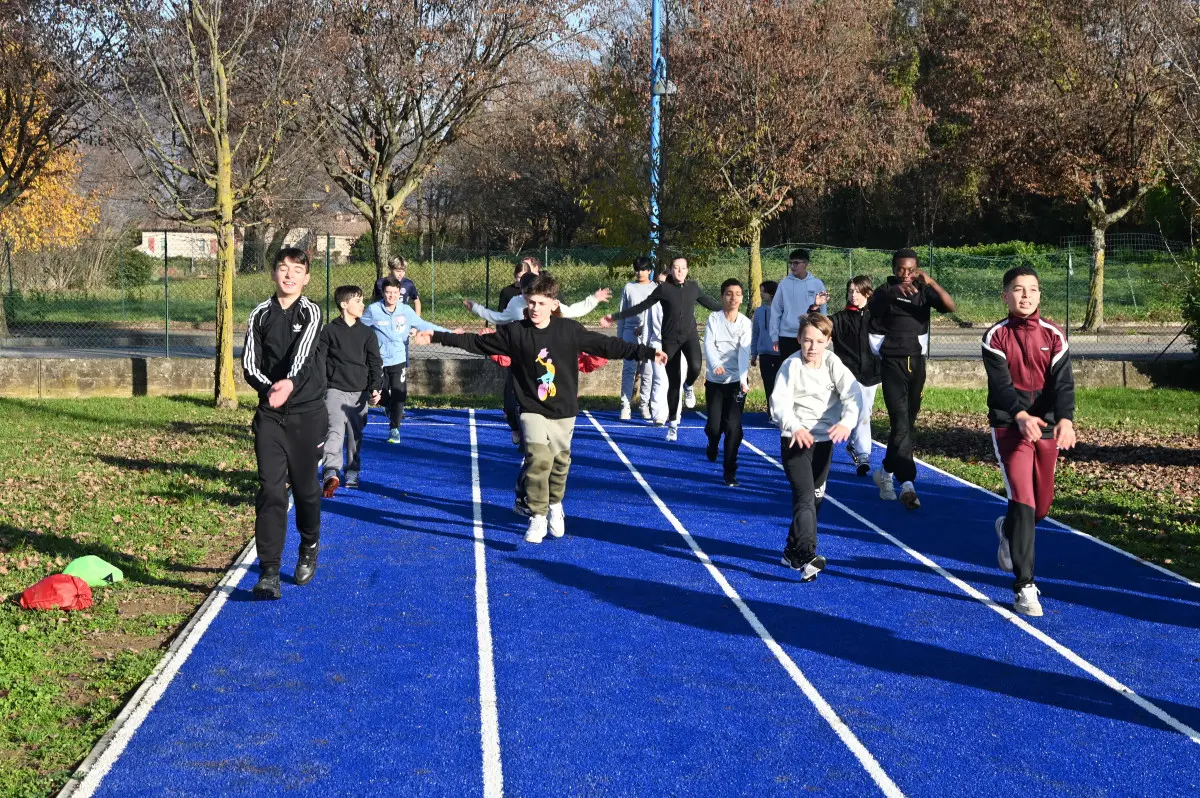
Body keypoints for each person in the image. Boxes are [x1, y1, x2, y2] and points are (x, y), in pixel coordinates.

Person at [415, 273, 666, 543]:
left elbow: (607, 345)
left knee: (559, 463)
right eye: (531, 302)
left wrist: (647, 353)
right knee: (537, 458)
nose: (535, 308)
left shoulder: (569, 330)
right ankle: (537, 515)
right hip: (531, 407)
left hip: (563, 409)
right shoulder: (515, 332)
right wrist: (438, 336)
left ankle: (555, 504)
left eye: (541, 303)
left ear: (553, 304)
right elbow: (476, 343)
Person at [982, 264, 1076, 618]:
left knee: (1042, 507)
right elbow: (1001, 387)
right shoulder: (995, 336)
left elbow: (1063, 383)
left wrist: (1065, 419)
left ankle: (1007, 529)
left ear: (1039, 295)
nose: (1026, 295)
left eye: (1032, 289)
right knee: (1023, 500)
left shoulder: (1054, 335)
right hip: (1010, 426)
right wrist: (1020, 416)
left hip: (1046, 427)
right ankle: (1025, 586)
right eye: (1018, 289)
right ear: (1005, 295)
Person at [242, 247, 327, 600]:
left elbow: (303, 356)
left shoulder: (312, 312)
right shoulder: (259, 314)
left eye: (296, 270)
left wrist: (288, 384)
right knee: (271, 491)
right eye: (282, 268)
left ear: (306, 278)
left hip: (307, 415)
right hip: (271, 416)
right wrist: (269, 389)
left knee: (306, 490)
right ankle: (269, 571)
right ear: (274, 274)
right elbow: (250, 363)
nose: (289, 275)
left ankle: (309, 545)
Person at [465, 274, 612, 445]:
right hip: (527, 374)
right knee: (518, 412)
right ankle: (520, 432)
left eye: (541, 303)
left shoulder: (559, 322)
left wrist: (594, 300)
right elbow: (499, 321)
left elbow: (575, 313)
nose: (535, 308)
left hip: (557, 394)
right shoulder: (516, 308)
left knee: (557, 448)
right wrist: (482, 322)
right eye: (529, 299)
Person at [770, 312, 858, 582]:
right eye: (807, 340)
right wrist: (794, 426)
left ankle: (791, 551)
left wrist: (846, 423)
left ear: (828, 341)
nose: (812, 347)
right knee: (805, 496)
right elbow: (779, 402)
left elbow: (853, 395)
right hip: (796, 441)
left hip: (824, 442)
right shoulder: (791, 366)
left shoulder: (833, 364)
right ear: (799, 339)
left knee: (815, 500)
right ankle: (807, 555)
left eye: (819, 341)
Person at [868, 248, 957, 510]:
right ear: (893, 269)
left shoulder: (924, 292)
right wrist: (893, 291)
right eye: (901, 269)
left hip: (916, 364)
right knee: (900, 421)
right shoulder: (885, 291)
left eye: (911, 270)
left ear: (917, 270)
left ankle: (885, 472)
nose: (905, 274)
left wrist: (931, 282)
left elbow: (950, 306)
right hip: (892, 364)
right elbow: (874, 307)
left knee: (907, 423)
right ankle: (907, 483)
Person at [601, 257, 722, 442]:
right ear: (671, 270)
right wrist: (615, 317)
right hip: (669, 340)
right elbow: (641, 307)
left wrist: (730, 308)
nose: (680, 271)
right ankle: (672, 425)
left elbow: (711, 304)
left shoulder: (693, 287)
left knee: (696, 367)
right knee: (673, 383)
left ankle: (689, 386)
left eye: (683, 268)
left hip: (689, 336)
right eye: (676, 268)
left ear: (687, 270)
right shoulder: (663, 289)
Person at [362, 275, 451, 443]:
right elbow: (358, 328)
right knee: (378, 395)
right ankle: (388, 405)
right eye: (388, 292)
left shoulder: (406, 311)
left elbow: (424, 325)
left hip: (398, 358)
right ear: (383, 292)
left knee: (399, 394)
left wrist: (451, 333)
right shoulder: (373, 310)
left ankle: (394, 428)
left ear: (400, 293)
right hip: (378, 361)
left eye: (395, 293)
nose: (392, 296)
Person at [318, 285, 383, 498]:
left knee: (355, 435)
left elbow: (375, 362)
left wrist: (375, 387)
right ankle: (331, 472)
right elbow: (320, 361)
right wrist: (321, 387)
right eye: (358, 301)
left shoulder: (367, 333)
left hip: (359, 393)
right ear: (344, 304)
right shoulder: (328, 331)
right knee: (334, 430)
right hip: (334, 390)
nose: (363, 305)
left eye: (362, 301)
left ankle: (352, 472)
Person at [813, 276, 881, 477]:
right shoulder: (841, 318)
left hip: (872, 374)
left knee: (864, 412)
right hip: (848, 375)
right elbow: (817, 326)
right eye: (851, 291)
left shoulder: (877, 317)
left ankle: (855, 446)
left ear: (868, 293)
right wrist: (815, 307)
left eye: (858, 291)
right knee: (855, 413)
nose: (853, 295)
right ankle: (863, 454)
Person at [704, 278, 753, 486]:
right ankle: (712, 443)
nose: (733, 298)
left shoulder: (745, 323)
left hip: (735, 382)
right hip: (715, 381)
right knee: (715, 427)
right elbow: (709, 345)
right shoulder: (714, 319)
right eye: (729, 294)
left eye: (738, 294)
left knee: (733, 428)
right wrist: (715, 364)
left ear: (742, 298)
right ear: (722, 296)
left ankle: (730, 471)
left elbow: (744, 352)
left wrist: (742, 379)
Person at [617, 256, 658, 421]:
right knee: (629, 369)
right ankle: (625, 406)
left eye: (643, 269)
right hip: (629, 331)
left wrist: (648, 329)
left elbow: (657, 314)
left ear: (650, 271)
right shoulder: (628, 288)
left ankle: (644, 405)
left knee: (648, 371)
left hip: (649, 333)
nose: (639, 272)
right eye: (637, 269)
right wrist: (620, 338)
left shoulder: (656, 288)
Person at [770, 249, 827, 360]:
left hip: (810, 335)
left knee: (809, 367)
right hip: (787, 336)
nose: (792, 266)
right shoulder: (784, 284)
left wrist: (823, 332)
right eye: (791, 263)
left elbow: (823, 311)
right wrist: (774, 336)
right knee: (790, 368)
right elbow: (775, 310)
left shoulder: (817, 283)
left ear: (805, 264)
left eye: (796, 263)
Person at [751, 280, 782, 404]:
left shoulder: (782, 311)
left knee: (780, 386)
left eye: (763, 292)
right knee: (768, 385)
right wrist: (754, 354)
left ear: (771, 293)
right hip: (765, 355)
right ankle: (770, 411)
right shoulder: (759, 312)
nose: (761, 294)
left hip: (780, 355)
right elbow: (755, 333)